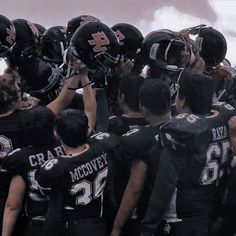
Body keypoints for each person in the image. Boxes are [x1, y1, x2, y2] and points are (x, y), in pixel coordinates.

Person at [1, 65, 95, 236]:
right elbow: (66, 100)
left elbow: (12, 206)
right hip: (61, 215)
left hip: (17, 201)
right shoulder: (30, 121)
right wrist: (78, 74)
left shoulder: (18, 158)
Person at [141, 69, 236, 236]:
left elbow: (165, 182)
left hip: (184, 216)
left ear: (182, 100)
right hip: (215, 208)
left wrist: (149, 225)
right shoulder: (226, 117)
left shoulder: (182, 131)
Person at [111, 78, 172, 236]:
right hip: (192, 213)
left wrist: (117, 226)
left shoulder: (141, 140)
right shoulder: (191, 127)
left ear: (143, 108)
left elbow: (135, 187)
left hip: (155, 216)